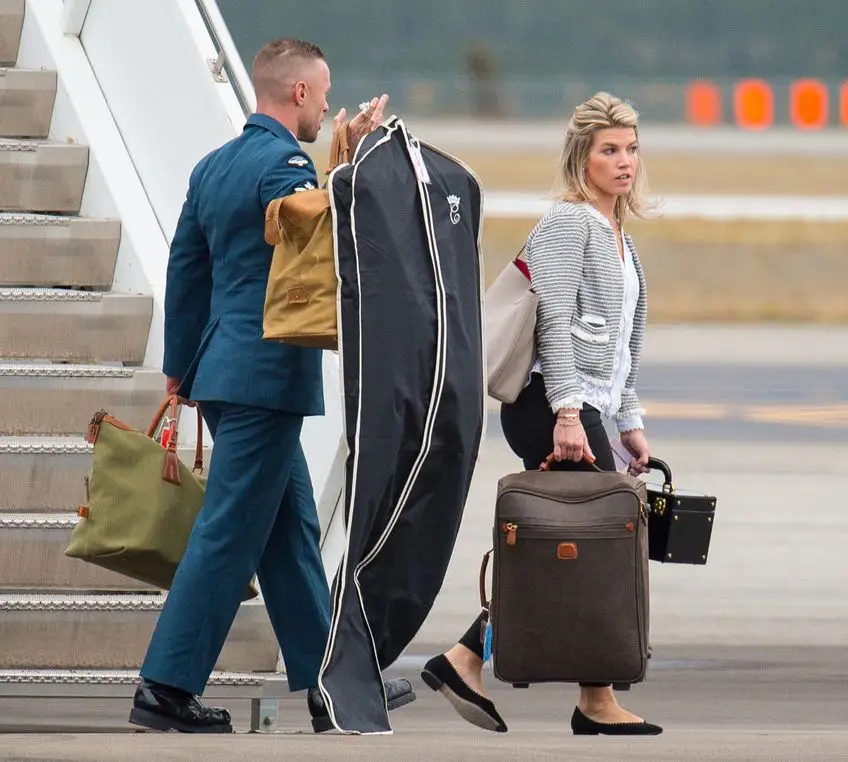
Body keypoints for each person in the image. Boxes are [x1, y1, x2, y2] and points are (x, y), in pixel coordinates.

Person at [127, 39, 414, 735]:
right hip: (264, 378)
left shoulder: (214, 165)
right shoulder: (284, 163)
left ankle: (328, 682)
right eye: (322, 94)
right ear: (298, 95)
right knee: (229, 531)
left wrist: (180, 366)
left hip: (223, 371)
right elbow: (316, 233)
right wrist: (354, 163)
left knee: (289, 529)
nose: (324, 106)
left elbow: (186, 269)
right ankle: (164, 686)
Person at [421, 92, 662, 736]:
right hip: (548, 405)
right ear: (581, 157)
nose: (624, 161)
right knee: (595, 544)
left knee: (584, 549)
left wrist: (628, 421)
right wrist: (565, 414)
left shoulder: (617, 234)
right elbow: (553, 322)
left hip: (584, 408)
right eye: (609, 150)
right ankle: (585, 694)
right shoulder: (568, 222)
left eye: (631, 148)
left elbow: (616, 346)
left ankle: (472, 660)